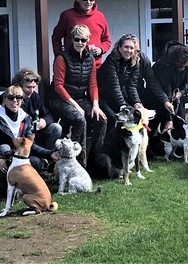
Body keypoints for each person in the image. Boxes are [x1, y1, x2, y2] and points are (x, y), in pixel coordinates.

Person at [0, 84, 60, 204]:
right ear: (4, 99)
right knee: (4, 148)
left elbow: (31, 145)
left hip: (16, 160)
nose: (15, 101)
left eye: (19, 97)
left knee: (35, 161)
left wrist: (50, 154)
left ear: (22, 100)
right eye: (11, 97)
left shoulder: (26, 118)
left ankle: (20, 190)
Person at [49, 24, 107, 168]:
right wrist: (75, 105)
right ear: (71, 40)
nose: (80, 43)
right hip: (60, 99)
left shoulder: (90, 59)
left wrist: (95, 105)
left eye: (83, 40)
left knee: (102, 119)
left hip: (81, 98)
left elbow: (93, 84)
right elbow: (58, 86)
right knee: (79, 119)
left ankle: (96, 161)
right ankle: (79, 163)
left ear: (87, 40)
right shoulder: (62, 58)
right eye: (77, 39)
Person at [51, 0, 111, 68]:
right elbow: (56, 37)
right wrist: (59, 56)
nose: (88, 2)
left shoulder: (100, 16)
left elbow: (107, 40)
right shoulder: (67, 15)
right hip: (72, 65)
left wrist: (101, 49)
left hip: (95, 66)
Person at [97, 34, 143, 130]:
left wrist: (137, 102)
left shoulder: (135, 62)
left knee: (134, 115)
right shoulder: (111, 60)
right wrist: (122, 105)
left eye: (131, 48)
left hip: (117, 95)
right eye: (126, 47)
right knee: (112, 117)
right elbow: (114, 85)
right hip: (102, 95)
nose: (129, 51)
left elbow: (132, 86)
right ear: (119, 47)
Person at [11, 68, 62, 150]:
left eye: (34, 87)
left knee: (56, 128)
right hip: (19, 137)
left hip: (35, 133)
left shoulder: (34, 96)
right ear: (19, 85)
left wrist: (44, 121)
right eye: (28, 87)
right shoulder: (10, 99)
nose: (31, 90)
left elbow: (47, 114)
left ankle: (47, 156)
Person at [151, 41, 188, 133]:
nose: (183, 68)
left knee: (178, 121)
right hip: (158, 95)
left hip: (179, 92)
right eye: (181, 67)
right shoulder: (163, 64)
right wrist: (169, 119)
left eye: (185, 66)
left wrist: (183, 92)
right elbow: (166, 88)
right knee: (157, 122)